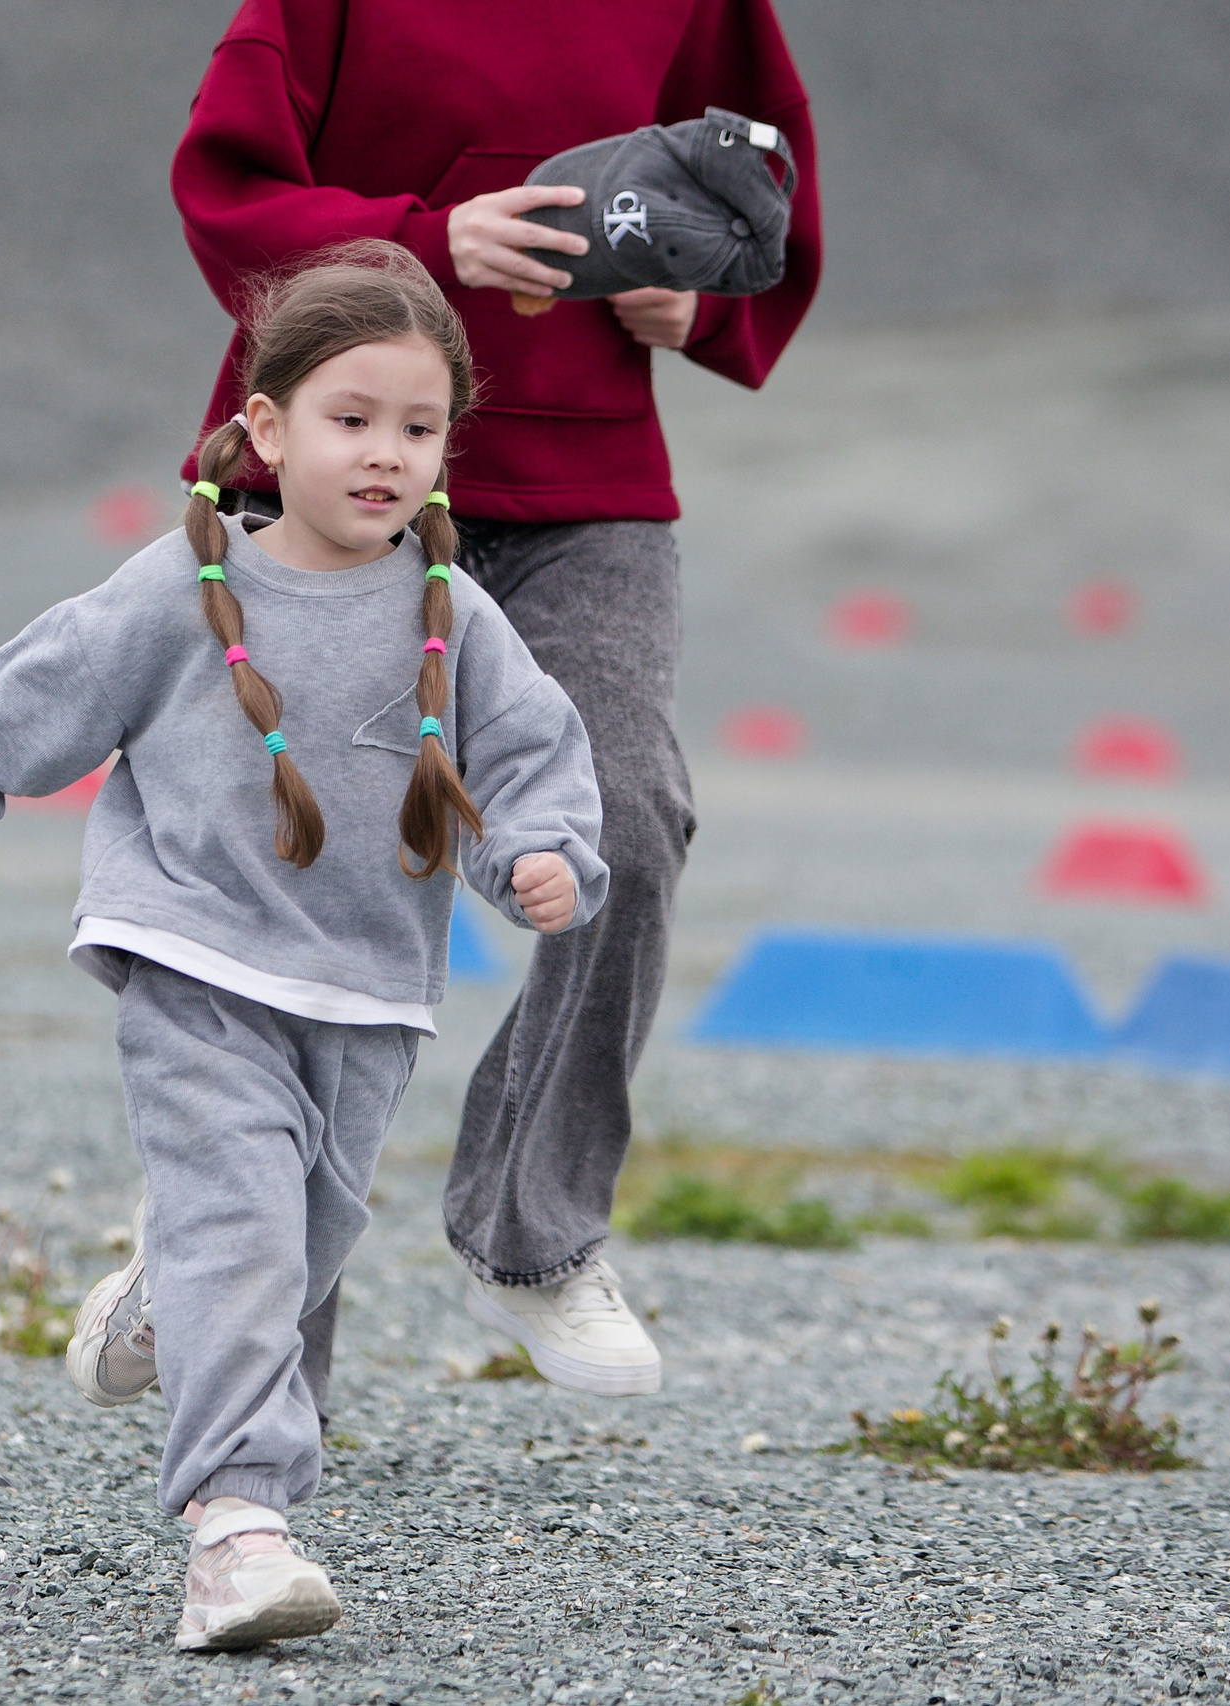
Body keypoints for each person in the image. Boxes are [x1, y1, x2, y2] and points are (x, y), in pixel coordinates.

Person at [0, 245, 607, 1652]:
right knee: (250, 1233)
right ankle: (237, 1529)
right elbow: (51, 679)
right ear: (267, 429)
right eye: (352, 417)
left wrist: (544, 856)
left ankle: (164, 1289)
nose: (385, 454)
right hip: (192, 963)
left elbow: (529, 762)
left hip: (369, 991)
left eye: (419, 428)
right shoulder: (190, 585)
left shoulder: (456, 618)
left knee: (301, 1239)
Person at [171, 0, 822, 1397]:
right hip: (337, 480)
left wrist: (703, 303)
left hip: (590, 487)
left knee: (624, 824)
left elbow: (764, 191)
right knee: (313, 882)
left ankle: (534, 1229)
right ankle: (252, 1360)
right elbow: (225, 192)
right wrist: (419, 240)